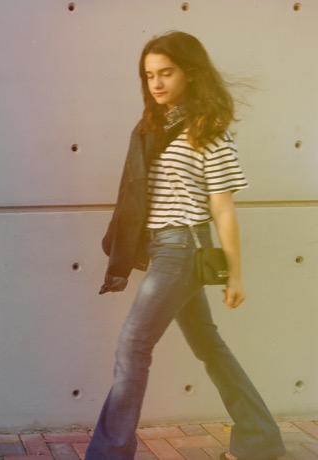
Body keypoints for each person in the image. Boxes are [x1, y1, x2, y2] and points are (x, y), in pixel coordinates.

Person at [86, 31, 285, 460]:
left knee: (133, 343)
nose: (156, 83)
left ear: (191, 73)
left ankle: (109, 454)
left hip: (183, 249)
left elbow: (223, 209)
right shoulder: (153, 128)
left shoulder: (208, 132)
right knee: (208, 346)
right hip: (164, 248)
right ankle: (260, 440)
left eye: (167, 73)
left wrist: (234, 274)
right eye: (149, 75)